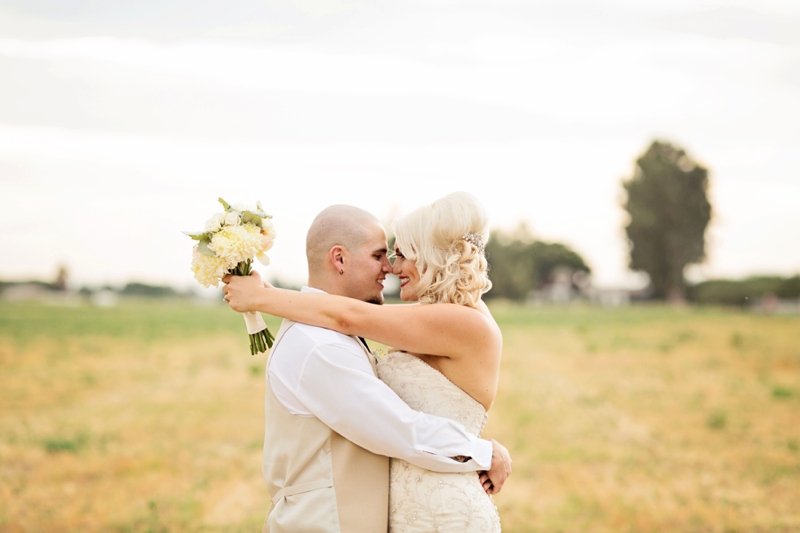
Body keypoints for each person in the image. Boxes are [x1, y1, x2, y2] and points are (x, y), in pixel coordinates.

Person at [222, 199, 510, 533]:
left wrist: (261, 297)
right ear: (339, 258)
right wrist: (483, 451)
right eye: (382, 255)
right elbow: (344, 319)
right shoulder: (321, 343)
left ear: (431, 257)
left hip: (443, 510)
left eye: (399, 254)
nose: (391, 267)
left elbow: (347, 317)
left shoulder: (460, 321)